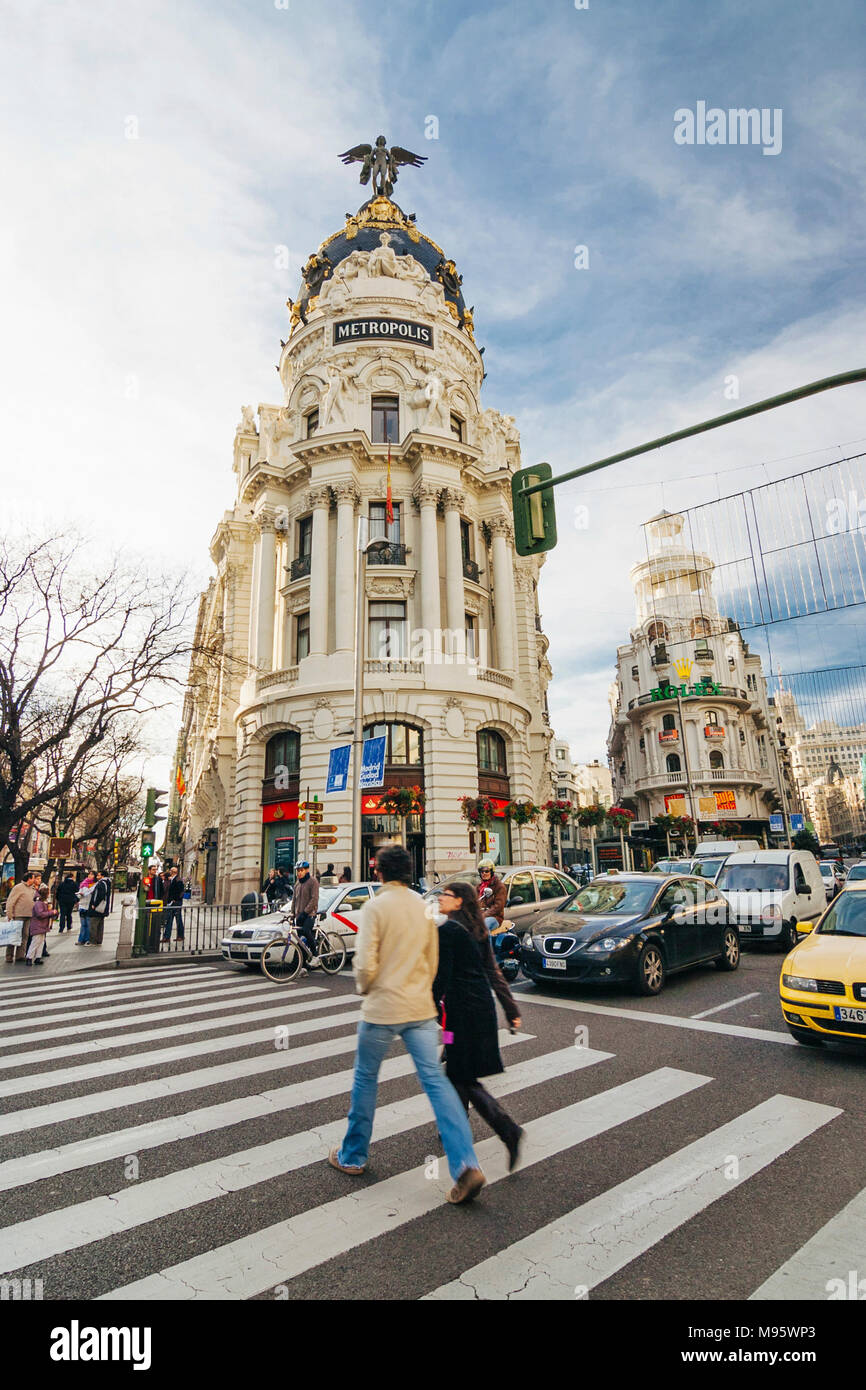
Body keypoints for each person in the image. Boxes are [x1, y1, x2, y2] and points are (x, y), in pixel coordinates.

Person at [329, 845, 486, 1204]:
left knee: (366, 1078)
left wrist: (366, 987)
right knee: (436, 1082)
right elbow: (433, 959)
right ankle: (465, 1165)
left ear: (380, 873)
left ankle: (353, 1156)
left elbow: (365, 963)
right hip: (419, 1009)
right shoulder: (423, 906)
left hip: (383, 1008)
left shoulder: (375, 907)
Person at [433, 881, 523, 1169]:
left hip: (460, 1014)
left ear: (459, 902)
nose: (440, 899)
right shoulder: (478, 929)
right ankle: (461, 1128)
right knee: (456, 1070)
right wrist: (511, 1010)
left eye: (446, 895)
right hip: (478, 1010)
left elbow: (440, 978)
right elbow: (493, 972)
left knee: (458, 1074)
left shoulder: (447, 931)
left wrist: (428, 1008)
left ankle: (505, 1129)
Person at [5, 872, 40, 963]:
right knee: (14, 936)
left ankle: (20, 955)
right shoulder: (18, 887)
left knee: (25, 936)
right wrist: (10, 914)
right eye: (33, 878)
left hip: (28, 915)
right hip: (18, 915)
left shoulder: (32, 889)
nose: (34, 880)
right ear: (29, 879)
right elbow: (11, 901)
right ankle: (9, 956)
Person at [292, 861, 320, 959]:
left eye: (301, 870)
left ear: (307, 870)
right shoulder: (297, 884)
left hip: (309, 914)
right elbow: (294, 900)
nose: (299, 873)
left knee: (306, 930)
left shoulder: (313, 882)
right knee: (301, 941)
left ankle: (316, 955)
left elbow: (314, 899)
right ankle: (303, 965)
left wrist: (305, 912)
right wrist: (292, 914)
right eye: (298, 871)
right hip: (299, 915)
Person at [26, 884, 57, 965]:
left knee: (41, 942)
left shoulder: (42, 902)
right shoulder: (39, 903)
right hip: (38, 925)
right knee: (35, 942)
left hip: (42, 926)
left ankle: (37, 957)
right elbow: (40, 914)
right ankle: (29, 957)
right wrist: (51, 912)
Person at [87, 869, 111, 946]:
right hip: (103, 907)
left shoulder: (101, 884)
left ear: (102, 876)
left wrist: (94, 904)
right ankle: (99, 940)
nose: (97, 877)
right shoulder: (108, 883)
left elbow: (98, 895)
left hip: (98, 908)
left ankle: (92, 941)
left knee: (93, 924)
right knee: (100, 925)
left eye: (98, 875)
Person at [162, 866, 186, 942]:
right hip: (172, 903)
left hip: (176, 903)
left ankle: (180, 936)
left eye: (170, 871)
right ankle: (166, 937)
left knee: (178, 920)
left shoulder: (178, 880)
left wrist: (175, 900)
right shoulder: (173, 879)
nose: (169, 872)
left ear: (172, 872)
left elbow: (181, 891)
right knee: (169, 920)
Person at [74, 872, 96, 945]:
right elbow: (79, 896)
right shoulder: (83, 884)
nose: (90, 876)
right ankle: (81, 940)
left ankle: (88, 939)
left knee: (89, 924)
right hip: (82, 906)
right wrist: (80, 895)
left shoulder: (95, 885)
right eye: (89, 874)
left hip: (89, 907)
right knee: (83, 924)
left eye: (92, 874)